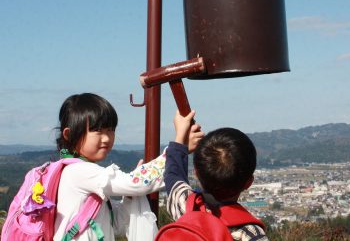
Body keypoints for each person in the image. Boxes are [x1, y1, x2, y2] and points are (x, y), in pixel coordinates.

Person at [53, 93, 204, 241]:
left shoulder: (80, 173)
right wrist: (178, 147)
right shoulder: (80, 172)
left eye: (110, 130)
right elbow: (138, 182)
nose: (106, 138)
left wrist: (130, 196)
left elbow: (117, 223)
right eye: (98, 131)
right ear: (69, 134)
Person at [165, 110, 269, 241]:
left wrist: (180, 137)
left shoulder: (187, 206)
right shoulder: (251, 234)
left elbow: (173, 175)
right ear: (249, 182)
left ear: (196, 173)